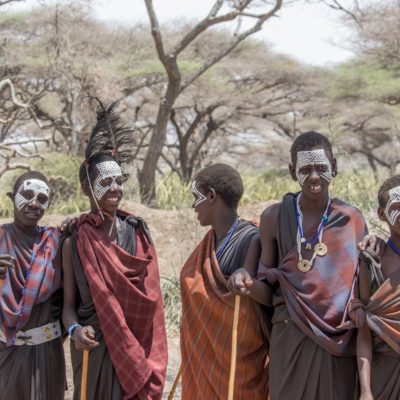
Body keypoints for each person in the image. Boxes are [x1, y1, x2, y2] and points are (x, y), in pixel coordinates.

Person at [230, 131, 366, 400]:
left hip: (338, 342)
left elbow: (362, 291)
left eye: (321, 168)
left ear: (334, 167)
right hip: (289, 335)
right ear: (293, 171)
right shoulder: (274, 217)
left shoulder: (352, 220)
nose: (314, 177)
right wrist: (247, 283)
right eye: (305, 169)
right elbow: (268, 292)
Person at [62, 100, 168, 400]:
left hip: (135, 343)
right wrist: (74, 331)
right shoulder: (74, 240)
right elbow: (69, 307)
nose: (115, 188)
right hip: (92, 346)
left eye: (119, 181)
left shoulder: (136, 233)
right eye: (105, 181)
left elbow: (150, 300)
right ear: (87, 189)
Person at [180, 163, 269, 400]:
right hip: (205, 357)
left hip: (239, 362)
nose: (193, 206)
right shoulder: (208, 244)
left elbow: (258, 296)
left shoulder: (251, 239)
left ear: (211, 196)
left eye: (196, 197)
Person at [0, 171, 65, 399]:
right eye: (27, 195)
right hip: (6, 351)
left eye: (42, 199)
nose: (34, 204)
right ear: (12, 197)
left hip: (47, 352)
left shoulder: (56, 241)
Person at [349, 175, 400, 400]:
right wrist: (366, 390)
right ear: (381, 214)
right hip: (384, 371)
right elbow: (365, 332)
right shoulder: (372, 261)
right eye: (397, 207)